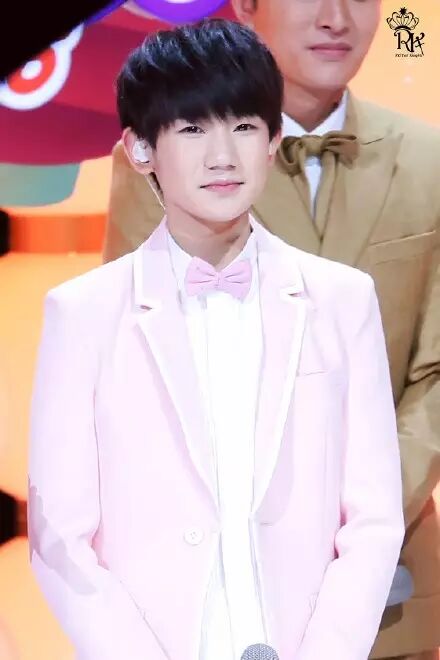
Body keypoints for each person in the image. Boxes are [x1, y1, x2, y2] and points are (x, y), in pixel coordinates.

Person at [28, 19, 404, 660]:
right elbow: (60, 539)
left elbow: (372, 519)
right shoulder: (82, 314)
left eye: (244, 126)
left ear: (275, 140)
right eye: (192, 129)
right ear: (140, 148)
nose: (223, 156)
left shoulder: (342, 301)